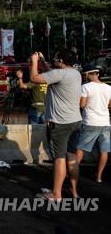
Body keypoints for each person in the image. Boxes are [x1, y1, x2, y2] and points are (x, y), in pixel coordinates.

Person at [30, 50, 82, 200]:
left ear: (60, 61)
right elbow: (51, 73)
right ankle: (74, 191)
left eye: (55, 60)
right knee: (71, 157)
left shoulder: (60, 74)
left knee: (59, 158)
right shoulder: (75, 73)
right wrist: (44, 60)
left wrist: (34, 61)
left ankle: (56, 194)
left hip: (60, 123)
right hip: (75, 121)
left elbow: (34, 78)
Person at [71, 66, 111, 196]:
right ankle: (98, 177)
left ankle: (71, 174)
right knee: (104, 150)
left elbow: (82, 105)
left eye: (85, 74)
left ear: (89, 74)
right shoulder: (108, 87)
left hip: (90, 122)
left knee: (80, 149)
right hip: (105, 122)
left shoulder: (86, 87)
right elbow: (109, 105)